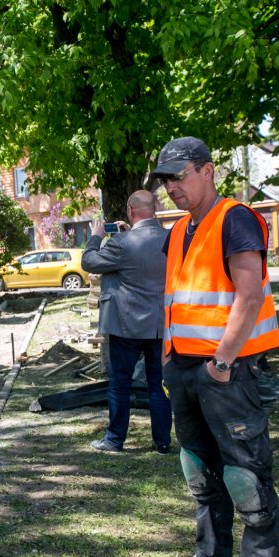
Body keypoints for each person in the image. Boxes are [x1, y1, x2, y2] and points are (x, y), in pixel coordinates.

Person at [148, 137, 279, 557]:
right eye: (165, 181)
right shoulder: (179, 229)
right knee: (199, 469)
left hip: (226, 371)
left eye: (178, 177)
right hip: (184, 370)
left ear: (207, 170)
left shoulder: (236, 219)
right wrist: (169, 361)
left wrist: (223, 362)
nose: (171, 189)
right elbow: (175, 298)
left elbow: (248, 295)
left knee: (245, 476)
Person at [82, 190, 172, 454]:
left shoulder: (121, 243)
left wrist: (97, 236)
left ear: (131, 211)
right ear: (153, 209)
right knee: (159, 384)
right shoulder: (172, 238)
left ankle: (114, 440)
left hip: (126, 324)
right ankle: (163, 442)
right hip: (160, 324)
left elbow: (89, 262)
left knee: (120, 383)